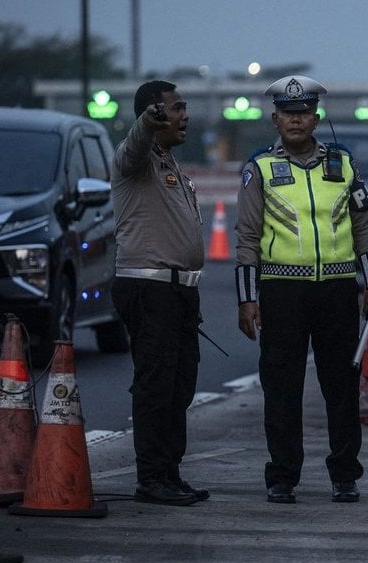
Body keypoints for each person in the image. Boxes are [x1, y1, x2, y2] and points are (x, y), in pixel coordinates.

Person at [234, 75, 368, 505]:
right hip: (281, 292)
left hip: (338, 290)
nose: (296, 120)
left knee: (341, 385)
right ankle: (282, 476)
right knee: (282, 387)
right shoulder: (259, 168)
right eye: (288, 113)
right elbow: (246, 237)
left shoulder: (344, 164)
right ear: (275, 118)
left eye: (303, 113)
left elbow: (364, 230)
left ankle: (345, 475)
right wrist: (247, 298)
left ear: (316, 118)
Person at [111, 80, 208, 506]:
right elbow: (133, 147)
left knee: (180, 386)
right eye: (176, 108)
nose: (185, 115)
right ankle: (151, 478)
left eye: (185, 107)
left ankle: (170, 473)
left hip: (179, 293)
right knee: (155, 386)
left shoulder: (170, 164)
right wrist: (146, 126)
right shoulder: (135, 159)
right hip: (149, 289)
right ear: (154, 113)